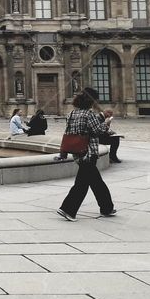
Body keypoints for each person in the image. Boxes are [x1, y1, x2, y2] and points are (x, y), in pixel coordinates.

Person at [57, 91, 116, 221]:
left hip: (77, 151)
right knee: (82, 184)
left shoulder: (72, 114)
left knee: (96, 182)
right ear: (90, 102)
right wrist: (107, 123)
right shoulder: (89, 114)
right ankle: (68, 209)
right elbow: (97, 130)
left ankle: (107, 208)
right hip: (89, 152)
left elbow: (71, 131)